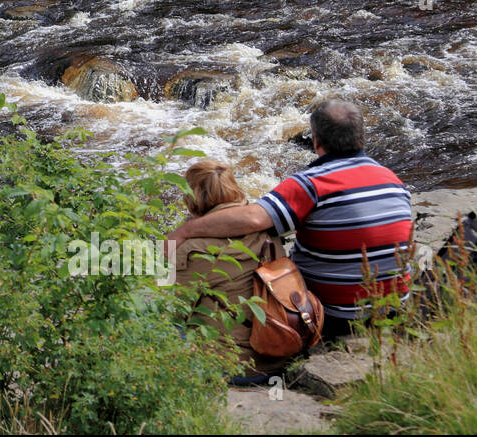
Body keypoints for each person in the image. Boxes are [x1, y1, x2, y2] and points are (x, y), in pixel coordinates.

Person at [169, 99, 413, 339]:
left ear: (316, 141)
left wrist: (186, 231)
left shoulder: (311, 183)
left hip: (331, 317)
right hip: (393, 310)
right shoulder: (393, 180)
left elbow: (254, 219)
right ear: (361, 137)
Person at [175, 159, 284, 375]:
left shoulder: (190, 248)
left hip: (232, 365)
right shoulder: (267, 231)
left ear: (191, 197)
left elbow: (169, 311)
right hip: (279, 355)